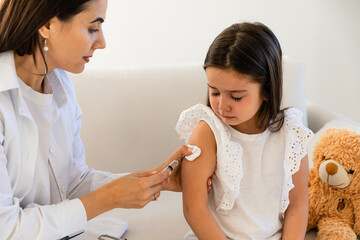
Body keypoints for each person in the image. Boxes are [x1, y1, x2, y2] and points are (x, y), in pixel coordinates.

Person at [0, 0, 199, 239]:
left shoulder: (59, 83)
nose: (102, 43)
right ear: (47, 25)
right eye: (93, 28)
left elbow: (72, 183)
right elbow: (7, 229)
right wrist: (109, 198)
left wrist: (157, 179)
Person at [176, 22, 314, 239]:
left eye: (236, 96)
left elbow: (297, 205)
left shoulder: (291, 132)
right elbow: (194, 209)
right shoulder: (207, 132)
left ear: (267, 90)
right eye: (214, 92)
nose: (222, 106)